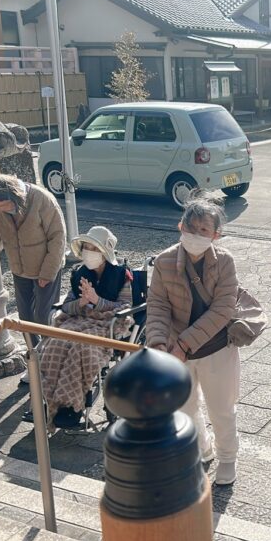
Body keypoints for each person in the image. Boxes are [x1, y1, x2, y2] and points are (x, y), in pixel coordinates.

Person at [145, 193, 242, 486]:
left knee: (221, 408)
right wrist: (159, 343)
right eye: (192, 227)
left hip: (215, 348)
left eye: (204, 230)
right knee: (184, 407)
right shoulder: (164, 261)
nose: (197, 235)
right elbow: (158, 305)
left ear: (216, 234)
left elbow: (224, 308)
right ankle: (202, 447)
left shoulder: (224, 262)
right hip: (175, 350)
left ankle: (228, 457)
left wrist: (184, 344)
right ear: (180, 226)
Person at [31, 226, 132, 429]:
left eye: (93, 248)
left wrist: (98, 300)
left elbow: (126, 307)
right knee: (53, 345)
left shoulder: (122, 275)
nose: (88, 252)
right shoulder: (79, 274)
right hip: (78, 319)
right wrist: (82, 302)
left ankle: (71, 404)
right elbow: (67, 305)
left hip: (105, 324)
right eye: (85, 247)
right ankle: (52, 401)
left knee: (82, 348)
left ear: (104, 252)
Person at [0, 175, 66, 349]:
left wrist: (47, 273)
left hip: (46, 268)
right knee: (25, 319)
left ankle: (52, 353)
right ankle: (34, 353)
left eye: (4, 205)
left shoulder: (41, 199)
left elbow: (58, 238)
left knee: (44, 316)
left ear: (14, 195)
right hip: (19, 269)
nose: (1, 210)